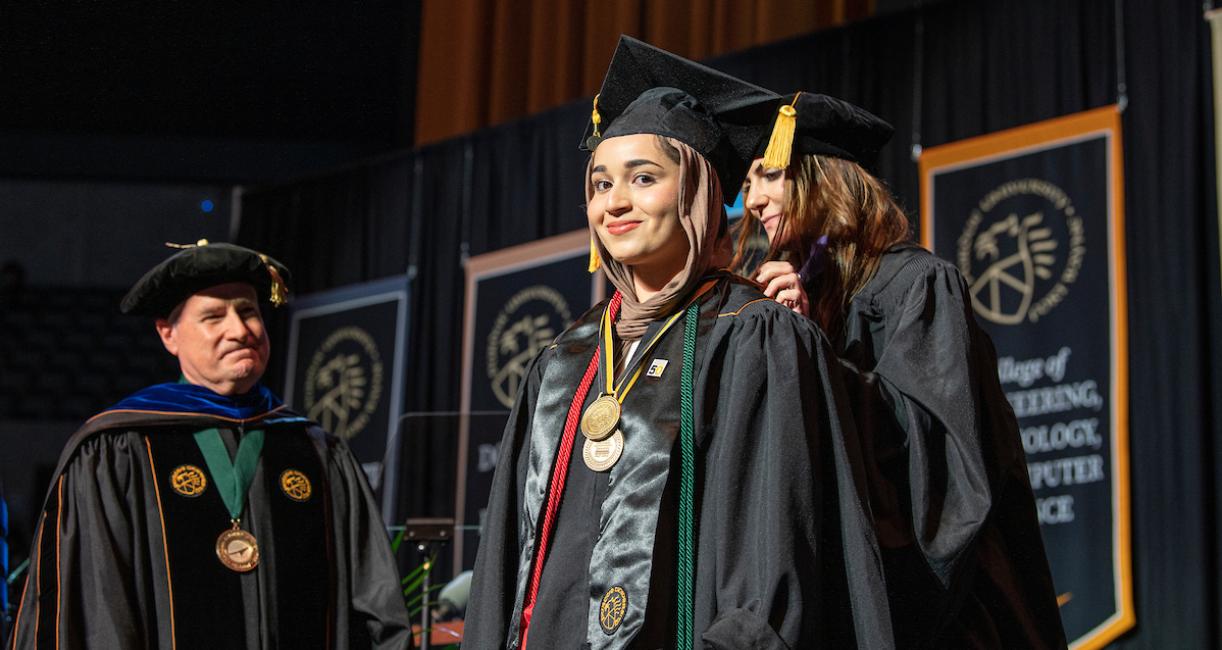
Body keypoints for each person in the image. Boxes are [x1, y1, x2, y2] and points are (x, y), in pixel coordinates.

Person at [464, 37, 893, 650]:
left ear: (696, 195)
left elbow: (771, 567)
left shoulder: (752, 337)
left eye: (643, 178)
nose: (614, 203)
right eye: (600, 183)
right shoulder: (564, 360)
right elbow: (503, 571)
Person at [737, 92, 1066, 647]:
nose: (754, 200)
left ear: (829, 177)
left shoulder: (915, 285)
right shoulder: (793, 301)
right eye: (747, 184)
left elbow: (932, 451)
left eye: (769, 174)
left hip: (944, 614)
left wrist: (812, 354)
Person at [7, 241, 410, 649]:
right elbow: (99, 613)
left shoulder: (317, 452)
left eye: (248, 311)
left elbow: (375, 605)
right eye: (214, 316)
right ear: (169, 334)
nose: (239, 330)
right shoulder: (118, 450)